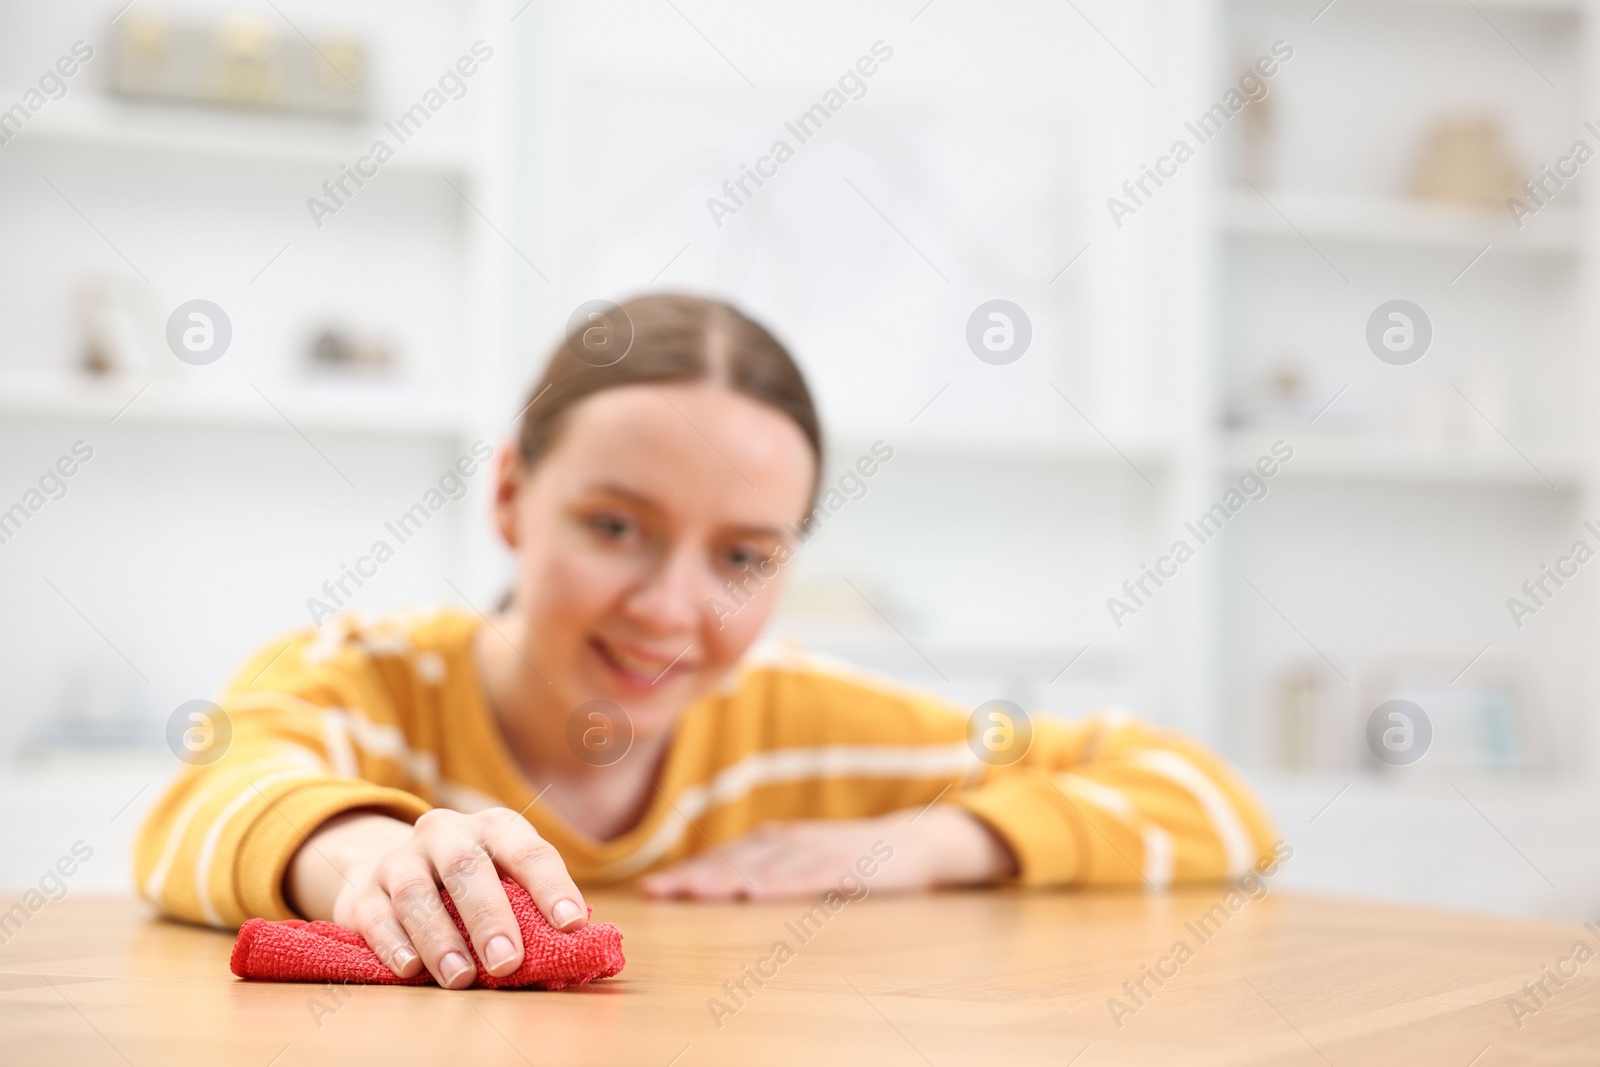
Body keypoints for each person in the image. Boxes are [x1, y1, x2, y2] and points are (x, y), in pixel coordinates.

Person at [134, 293, 1278, 990]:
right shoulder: (366, 676)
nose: (670, 609)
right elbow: (206, 798)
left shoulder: (808, 722)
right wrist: (363, 860)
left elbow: (1211, 799)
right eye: (616, 526)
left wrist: (928, 844)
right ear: (511, 498)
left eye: (742, 555)